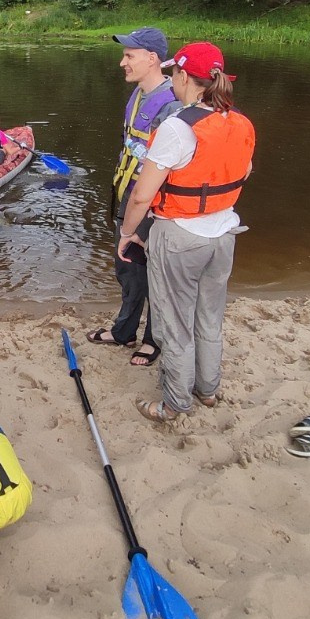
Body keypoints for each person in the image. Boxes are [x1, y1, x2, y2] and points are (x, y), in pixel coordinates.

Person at [117, 41, 255, 423]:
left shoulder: (178, 127)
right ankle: (207, 390)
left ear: (181, 75)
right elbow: (243, 172)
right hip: (224, 232)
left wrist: (130, 233)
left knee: (174, 323)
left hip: (179, 236)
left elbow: (143, 195)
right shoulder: (240, 121)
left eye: (174, 74)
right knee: (208, 317)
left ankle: (174, 403)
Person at [85, 27, 181, 368]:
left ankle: (153, 340)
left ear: (152, 58)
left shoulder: (173, 103)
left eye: (129, 55)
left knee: (155, 274)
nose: (122, 62)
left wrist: (148, 216)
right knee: (126, 268)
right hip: (126, 195)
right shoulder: (139, 93)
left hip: (154, 205)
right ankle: (124, 331)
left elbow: (173, 170)